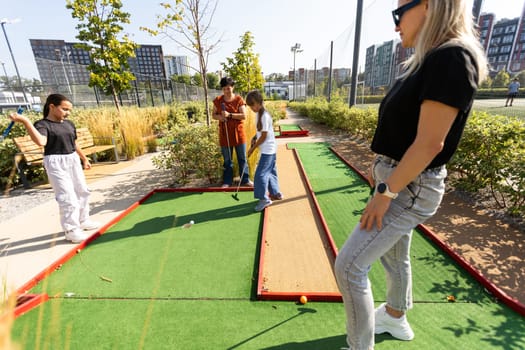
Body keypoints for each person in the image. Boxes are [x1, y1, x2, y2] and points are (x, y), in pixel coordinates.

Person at [333, 1, 488, 349]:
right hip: (401, 179)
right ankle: (395, 316)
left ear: (430, 6)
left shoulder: (451, 58)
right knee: (393, 254)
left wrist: (385, 192)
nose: (395, 25)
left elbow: (430, 143)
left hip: (410, 186)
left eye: (398, 13)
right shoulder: (431, 58)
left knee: (349, 267)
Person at [9, 94, 100, 243]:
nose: (67, 113)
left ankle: (83, 220)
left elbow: (74, 143)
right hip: (55, 161)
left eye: (69, 110)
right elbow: (41, 141)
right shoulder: (43, 125)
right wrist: (25, 121)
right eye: (64, 109)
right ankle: (71, 230)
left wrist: (84, 158)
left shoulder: (69, 123)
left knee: (82, 191)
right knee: (67, 197)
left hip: (72, 159)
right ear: (52, 106)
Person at [246, 90, 283, 212]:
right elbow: (260, 133)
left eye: (252, 105)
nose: (251, 108)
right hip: (270, 150)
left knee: (260, 175)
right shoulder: (259, 114)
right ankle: (276, 193)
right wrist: (254, 138)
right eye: (250, 105)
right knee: (271, 171)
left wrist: (252, 148)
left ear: (259, 103)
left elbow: (264, 136)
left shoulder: (264, 116)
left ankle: (264, 199)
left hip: (268, 151)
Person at [212, 77, 253, 188]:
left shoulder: (239, 99)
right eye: (224, 88)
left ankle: (245, 179)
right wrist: (220, 117)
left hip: (238, 134)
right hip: (225, 134)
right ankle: (227, 181)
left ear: (233, 87)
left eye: (229, 88)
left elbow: (244, 115)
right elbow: (213, 115)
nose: (227, 91)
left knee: (242, 158)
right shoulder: (218, 100)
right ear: (222, 89)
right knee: (227, 160)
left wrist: (229, 115)